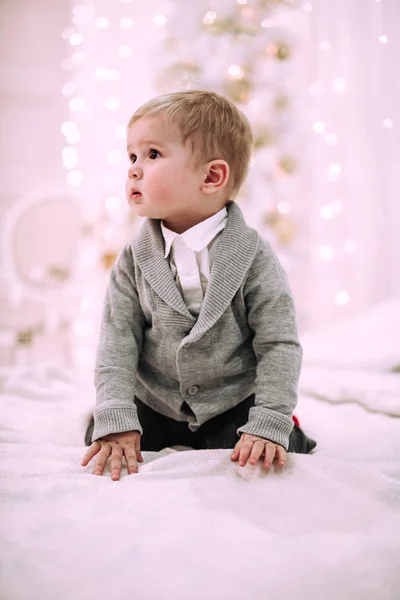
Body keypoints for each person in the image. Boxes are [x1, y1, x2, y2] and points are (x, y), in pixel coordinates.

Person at [81, 90, 316, 481]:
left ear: (212, 176)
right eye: (132, 157)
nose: (134, 169)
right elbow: (117, 342)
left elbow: (278, 343)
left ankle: (278, 422)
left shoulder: (254, 257)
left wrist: (270, 416)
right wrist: (117, 414)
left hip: (231, 400)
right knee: (103, 432)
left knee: (272, 445)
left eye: (152, 154)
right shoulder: (132, 260)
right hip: (155, 399)